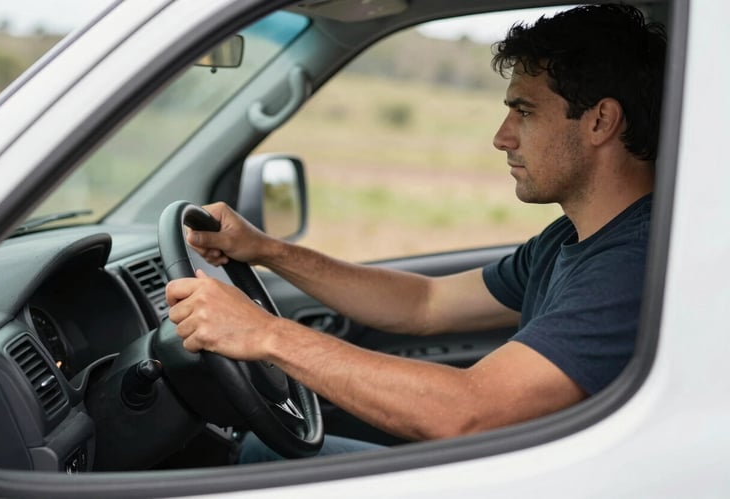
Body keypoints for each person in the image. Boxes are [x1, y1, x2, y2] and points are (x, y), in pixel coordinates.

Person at [165, 3, 666, 462]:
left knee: (256, 462)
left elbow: (469, 412)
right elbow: (424, 302)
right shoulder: (567, 239)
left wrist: (265, 335)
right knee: (259, 455)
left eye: (526, 111)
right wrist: (267, 250)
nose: (502, 136)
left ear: (600, 120)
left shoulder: (634, 265)